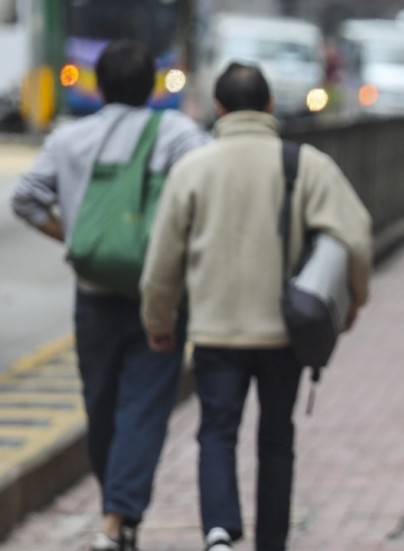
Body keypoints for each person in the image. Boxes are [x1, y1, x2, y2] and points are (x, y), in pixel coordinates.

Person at [139, 63, 372, 551]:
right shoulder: (303, 163)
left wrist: (158, 320)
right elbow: (356, 231)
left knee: (217, 431)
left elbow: (163, 258)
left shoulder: (194, 169)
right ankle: (272, 541)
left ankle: (220, 532)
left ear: (219, 108)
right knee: (275, 438)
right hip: (283, 331)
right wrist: (352, 301)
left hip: (214, 330)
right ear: (269, 106)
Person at [10, 40, 209, 551]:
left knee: (100, 404)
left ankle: (114, 514)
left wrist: (76, 239)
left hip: (93, 293)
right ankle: (118, 518)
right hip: (158, 295)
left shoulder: (70, 137)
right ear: (153, 87)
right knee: (143, 405)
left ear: (97, 87)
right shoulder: (178, 133)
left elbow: (26, 198)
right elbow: (209, 191)